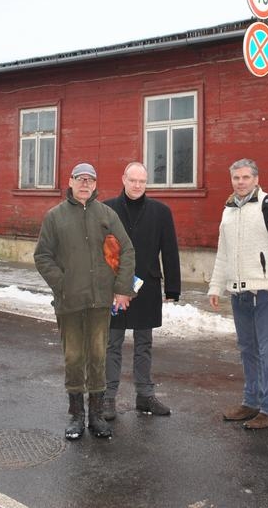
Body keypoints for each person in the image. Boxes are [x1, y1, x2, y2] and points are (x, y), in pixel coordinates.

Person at [34, 162, 137, 441]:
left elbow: (127, 250)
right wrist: (62, 284)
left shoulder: (106, 215)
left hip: (100, 301)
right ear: (70, 182)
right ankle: (76, 415)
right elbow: (42, 256)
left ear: (95, 184)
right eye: (80, 179)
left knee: (97, 355)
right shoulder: (55, 217)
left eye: (90, 180)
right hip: (69, 301)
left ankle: (96, 416)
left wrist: (121, 289)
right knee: (74, 356)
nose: (84, 184)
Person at [208, 158, 268, 430]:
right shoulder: (229, 210)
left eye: (246, 177)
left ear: (256, 179)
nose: (241, 182)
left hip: (266, 293)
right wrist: (215, 286)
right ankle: (251, 401)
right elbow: (223, 252)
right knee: (247, 350)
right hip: (239, 294)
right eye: (236, 178)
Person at [101, 161, 182, 420]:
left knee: (144, 343)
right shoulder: (107, 209)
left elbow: (169, 250)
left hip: (146, 286)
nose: (137, 185)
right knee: (112, 343)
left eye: (142, 181)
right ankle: (107, 397)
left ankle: (145, 396)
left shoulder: (160, 212)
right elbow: (99, 250)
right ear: (123, 179)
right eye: (132, 180)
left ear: (146, 183)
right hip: (114, 288)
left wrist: (173, 287)